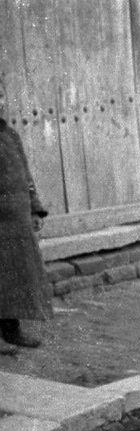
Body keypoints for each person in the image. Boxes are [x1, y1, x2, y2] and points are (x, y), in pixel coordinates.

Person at [1, 94, 51, 350]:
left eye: (0, 98)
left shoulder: (10, 135)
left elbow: (26, 176)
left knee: (14, 278)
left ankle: (12, 330)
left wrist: (34, 210)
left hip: (16, 221)